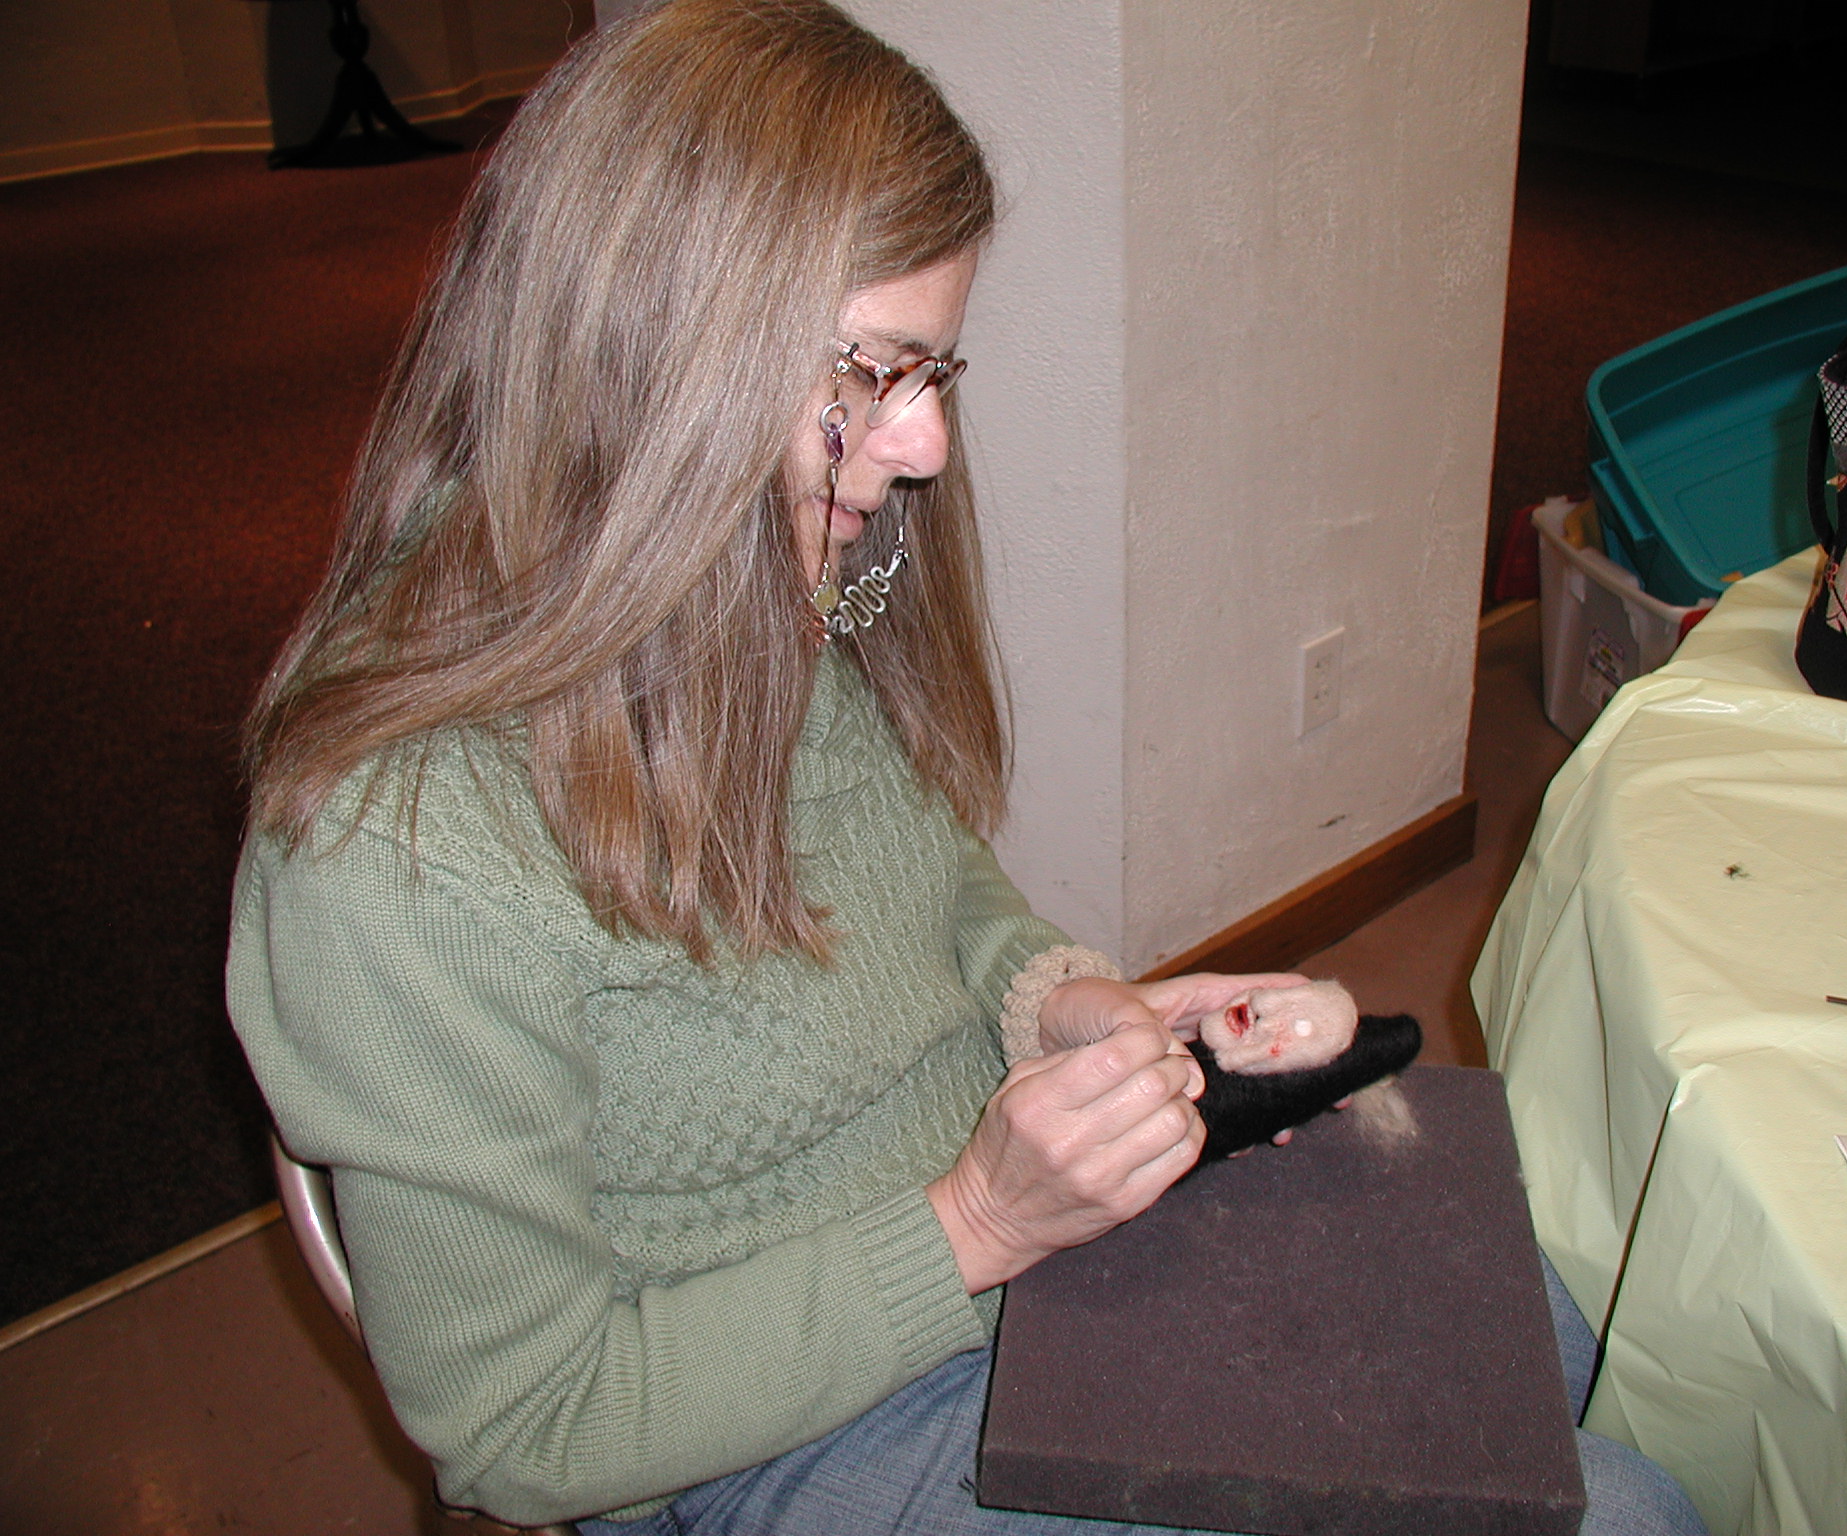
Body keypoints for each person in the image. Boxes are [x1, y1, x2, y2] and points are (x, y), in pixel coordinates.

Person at [226, 4, 1706, 1533]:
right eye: (873, 371)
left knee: (1535, 1320)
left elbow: (931, 884)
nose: (925, 442)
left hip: (996, 1258)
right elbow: (525, 1427)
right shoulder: (395, 847)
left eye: (936, 369)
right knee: (1616, 1511)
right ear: (648, 354)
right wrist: (978, 1222)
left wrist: (1070, 1004)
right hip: (774, 1427)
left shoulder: (777, 588)